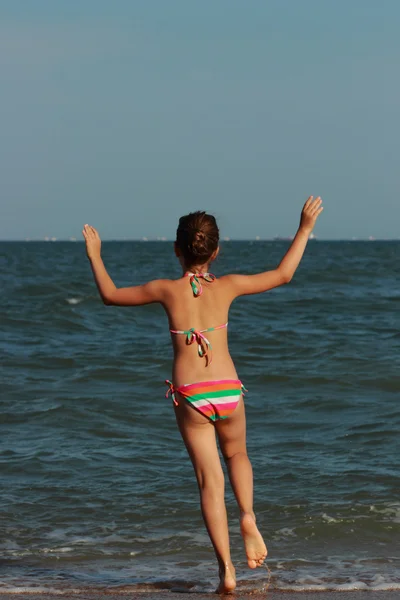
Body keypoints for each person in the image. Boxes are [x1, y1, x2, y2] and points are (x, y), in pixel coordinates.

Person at [82, 196, 323, 594]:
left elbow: (110, 295)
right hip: (228, 389)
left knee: (210, 483)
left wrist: (95, 254)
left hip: (191, 395)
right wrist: (305, 228)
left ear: (176, 250)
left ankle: (227, 570)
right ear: (217, 250)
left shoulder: (165, 289)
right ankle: (247, 515)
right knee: (238, 455)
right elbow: (282, 275)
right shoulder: (228, 286)